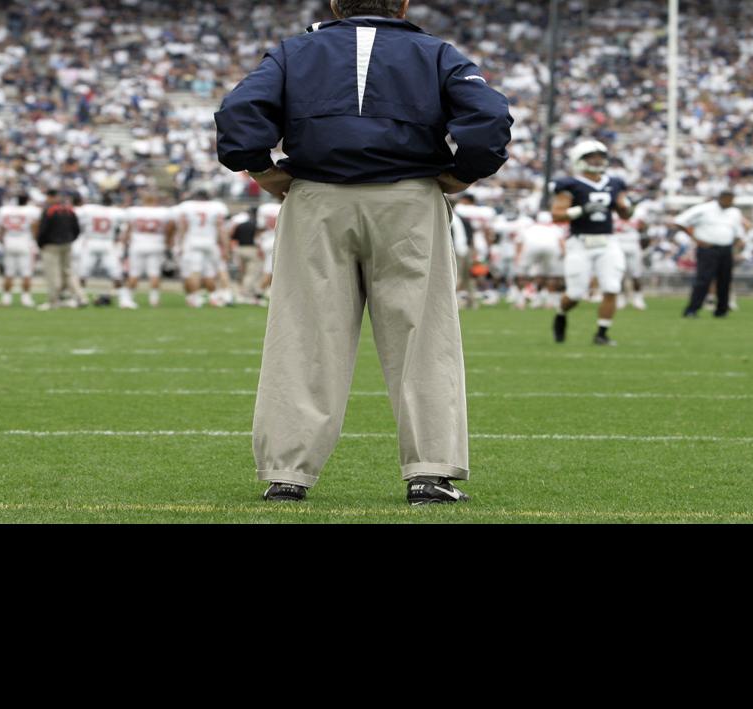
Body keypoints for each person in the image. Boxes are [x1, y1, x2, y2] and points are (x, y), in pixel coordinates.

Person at [216, 0, 512, 506]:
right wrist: (464, 173)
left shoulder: (294, 51)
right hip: (408, 199)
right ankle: (430, 473)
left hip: (316, 198)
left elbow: (240, 110)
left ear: (335, 5)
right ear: (402, 5)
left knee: (304, 332)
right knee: (424, 335)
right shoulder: (436, 52)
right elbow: (488, 116)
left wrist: (261, 168)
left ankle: (287, 473)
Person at [550, 140, 631, 345]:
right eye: (591, 157)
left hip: (608, 241)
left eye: (600, 156)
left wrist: (628, 207)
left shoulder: (615, 182)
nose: (597, 160)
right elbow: (557, 215)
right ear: (579, 160)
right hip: (580, 242)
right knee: (575, 293)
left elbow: (625, 212)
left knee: (612, 287)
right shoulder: (570, 184)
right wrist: (582, 210)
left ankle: (602, 333)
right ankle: (561, 313)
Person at [673, 191, 748, 318]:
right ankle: (692, 310)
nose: (731, 203)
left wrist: (739, 242)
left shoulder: (734, 212)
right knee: (703, 279)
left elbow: (737, 231)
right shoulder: (705, 208)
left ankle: (721, 310)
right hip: (708, 249)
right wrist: (696, 239)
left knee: (725, 280)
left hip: (726, 248)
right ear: (722, 198)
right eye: (729, 200)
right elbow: (679, 221)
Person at [36, 190, 84, 310]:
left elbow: (43, 230)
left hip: (51, 245)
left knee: (53, 274)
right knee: (68, 272)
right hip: (67, 244)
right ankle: (80, 297)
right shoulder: (69, 210)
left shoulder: (49, 210)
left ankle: (54, 301)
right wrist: (70, 239)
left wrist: (41, 244)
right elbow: (77, 229)